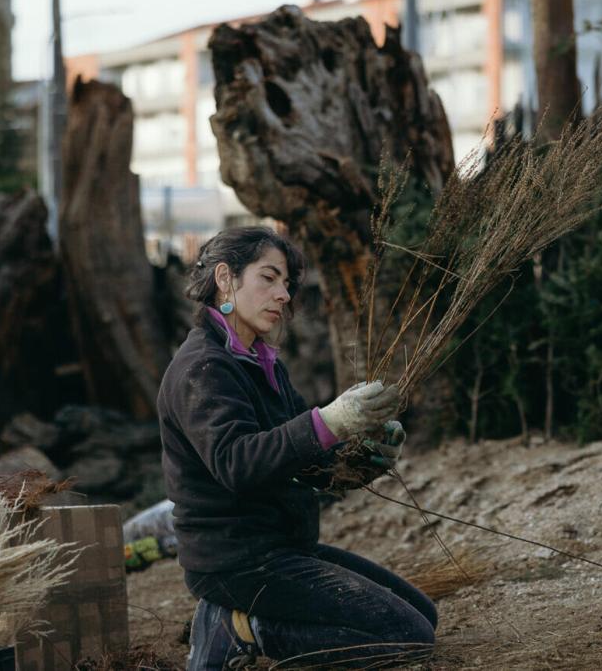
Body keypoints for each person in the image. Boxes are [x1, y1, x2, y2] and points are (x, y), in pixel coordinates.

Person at [157, 226, 437, 670]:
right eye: (268, 278)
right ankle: (240, 629)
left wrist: (364, 458)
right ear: (226, 279)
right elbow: (237, 464)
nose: (283, 295)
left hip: (282, 549)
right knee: (409, 638)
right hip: (235, 562)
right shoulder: (204, 368)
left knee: (425, 616)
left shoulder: (261, 363)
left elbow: (300, 461)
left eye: (285, 283)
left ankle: (242, 622)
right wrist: (330, 420)